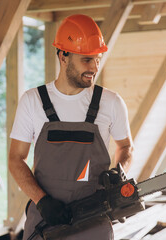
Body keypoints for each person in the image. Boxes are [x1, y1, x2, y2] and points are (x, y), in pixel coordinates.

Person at [9, 14, 134, 240]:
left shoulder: (111, 102)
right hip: (46, 219)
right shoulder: (33, 101)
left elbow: (125, 146)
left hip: (94, 218)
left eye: (97, 59)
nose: (94, 67)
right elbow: (15, 159)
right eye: (87, 59)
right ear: (63, 56)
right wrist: (42, 201)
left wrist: (120, 171)